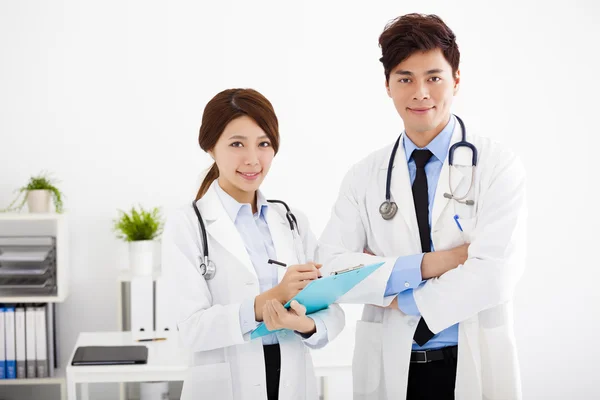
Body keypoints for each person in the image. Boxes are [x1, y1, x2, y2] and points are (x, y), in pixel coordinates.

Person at [317, 13, 527, 400]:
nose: (420, 93)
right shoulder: (364, 176)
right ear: (387, 86)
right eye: (405, 79)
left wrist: (398, 293)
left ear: (456, 80)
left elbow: (496, 272)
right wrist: (443, 261)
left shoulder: (497, 164)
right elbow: (330, 267)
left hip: (472, 358)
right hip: (390, 364)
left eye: (433, 77)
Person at [162, 88, 345, 400]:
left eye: (263, 144)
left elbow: (333, 309)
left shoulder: (292, 221)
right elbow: (191, 330)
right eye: (236, 144)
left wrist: (305, 325)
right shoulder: (187, 225)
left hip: (292, 381)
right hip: (225, 386)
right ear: (210, 147)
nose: (252, 159)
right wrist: (268, 302)